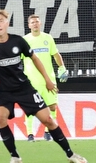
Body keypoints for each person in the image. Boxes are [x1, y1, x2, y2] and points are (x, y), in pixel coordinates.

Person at [0, 8, 86, 163]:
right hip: (3, 91)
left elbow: (35, 58)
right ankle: (15, 156)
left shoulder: (18, 41)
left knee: (48, 120)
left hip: (24, 88)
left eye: (1, 21)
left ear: (7, 23)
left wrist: (47, 80)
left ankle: (71, 154)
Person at [22, 14, 69, 142]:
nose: (35, 24)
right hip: (32, 80)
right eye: (32, 22)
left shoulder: (48, 38)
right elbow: (17, 59)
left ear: (40, 23)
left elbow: (55, 54)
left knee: (52, 106)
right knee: (31, 107)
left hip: (49, 79)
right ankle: (30, 134)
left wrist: (62, 67)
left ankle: (48, 132)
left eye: (37, 21)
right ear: (29, 25)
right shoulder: (24, 40)